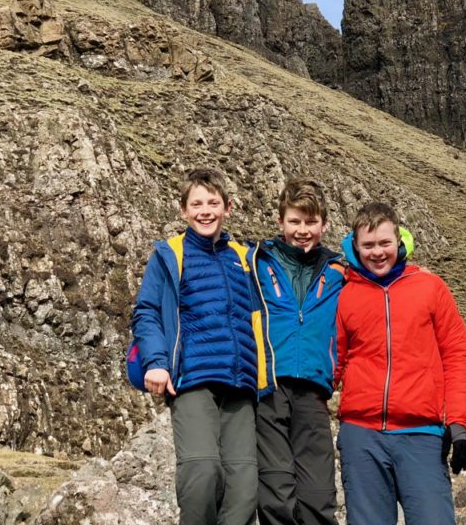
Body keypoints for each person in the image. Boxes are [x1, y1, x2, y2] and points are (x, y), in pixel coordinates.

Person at [130, 168, 274, 525]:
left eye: (213, 203)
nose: (205, 211)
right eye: (196, 204)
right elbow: (146, 312)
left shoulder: (244, 257)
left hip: (240, 384)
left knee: (244, 488)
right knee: (202, 471)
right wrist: (156, 362)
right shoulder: (169, 255)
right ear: (183, 211)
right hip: (191, 378)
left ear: (228, 207)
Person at [334, 201, 466, 525]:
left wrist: (459, 424)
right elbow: (333, 362)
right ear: (355, 246)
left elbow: (455, 354)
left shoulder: (430, 288)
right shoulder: (345, 294)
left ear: (399, 241)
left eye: (384, 243)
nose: (377, 252)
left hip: (421, 433)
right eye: (368, 245)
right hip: (361, 435)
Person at [250, 178, 346, 525]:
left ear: (324, 224)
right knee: (276, 495)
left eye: (310, 222)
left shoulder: (340, 271)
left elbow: (385, 267)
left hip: (314, 392)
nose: (302, 230)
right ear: (280, 222)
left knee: (319, 496)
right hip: (269, 390)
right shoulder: (257, 261)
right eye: (294, 221)